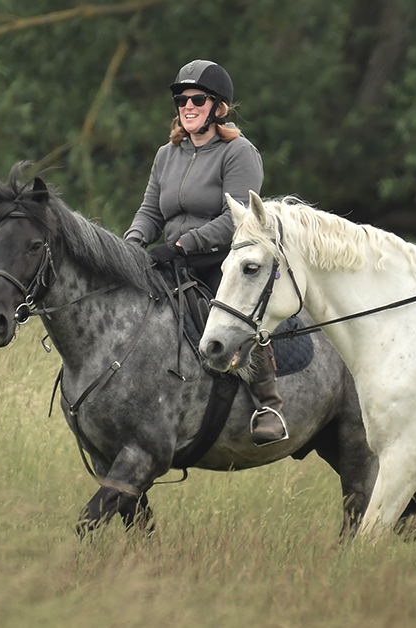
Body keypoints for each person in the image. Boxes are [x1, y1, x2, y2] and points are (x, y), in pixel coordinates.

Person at [123, 59, 289, 446]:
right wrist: (130, 245)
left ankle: (268, 403)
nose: (188, 106)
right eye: (182, 99)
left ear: (219, 108)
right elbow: (150, 211)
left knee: (237, 314)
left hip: (223, 262)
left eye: (198, 99)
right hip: (170, 258)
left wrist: (183, 245)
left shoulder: (239, 153)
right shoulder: (166, 154)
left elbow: (238, 219)